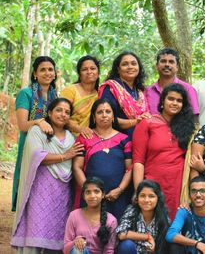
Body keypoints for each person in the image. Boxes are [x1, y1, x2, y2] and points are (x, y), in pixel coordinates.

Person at [11, 98, 84, 252]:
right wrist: (65, 155)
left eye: (67, 112)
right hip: (40, 190)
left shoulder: (72, 138)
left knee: (57, 235)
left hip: (62, 193)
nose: (63, 114)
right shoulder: (38, 131)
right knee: (37, 229)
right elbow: (37, 156)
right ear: (50, 113)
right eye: (59, 110)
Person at [133, 83, 196, 219]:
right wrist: (139, 191)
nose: (175, 103)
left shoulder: (189, 129)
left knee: (174, 227)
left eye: (179, 101)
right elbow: (138, 161)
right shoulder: (147, 123)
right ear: (162, 101)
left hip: (178, 186)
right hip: (152, 183)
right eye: (171, 99)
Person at [73, 98, 133, 220]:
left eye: (108, 111)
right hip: (90, 198)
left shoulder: (124, 139)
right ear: (94, 117)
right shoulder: (84, 137)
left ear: (113, 116)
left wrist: (119, 190)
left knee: (116, 232)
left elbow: (130, 169)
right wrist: (89, 192)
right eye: (100, 112)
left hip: (116, 196)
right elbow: (76, 167)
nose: (104, 115)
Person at [12, 56, 58, 211]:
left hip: (50, 144)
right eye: (42, 70)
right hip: (30, 145)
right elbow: (23, 125)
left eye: (50, 69)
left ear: (55, 73)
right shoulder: (26, 94)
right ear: (35, 74)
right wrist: (39, 121)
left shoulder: (55, 96)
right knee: (27, 182)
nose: (47, 73)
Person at [165, 176, 205, 254]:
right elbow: (170, 235)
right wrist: (197, 243)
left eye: (203, 191)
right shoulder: (184, 212)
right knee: (174, 246)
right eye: (194, 191)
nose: (198, 195)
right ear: (189, 195)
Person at [99, 51, 150, 138]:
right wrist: (135, 121)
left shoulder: (140, 91)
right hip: (118, 142)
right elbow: (106, 118)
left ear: (139, 67)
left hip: (142, 139)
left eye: (133, 64)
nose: (130, 67)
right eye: (125, 64)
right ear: (118, 69)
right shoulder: (111, 88)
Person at [64, 177, 117, 254]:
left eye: (96, 191)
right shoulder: (74, 215)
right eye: (88, 192)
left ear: (103, 195)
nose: (92, 196)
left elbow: (109, 250)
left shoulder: (111, 220)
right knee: (79, 249)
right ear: (84, 196)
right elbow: (65, 248)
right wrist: (76, 242)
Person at [116, 180, 170, 254]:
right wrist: (147, 237)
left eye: (151, 196)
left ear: (158, 198)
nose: (146, 200)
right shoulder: (132, 211)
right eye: (142, 195)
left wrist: (155, 251)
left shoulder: (162, 215)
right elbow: (121, 233)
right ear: (137, 198)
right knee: (126, 245)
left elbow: (168, 240)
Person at [145, 47, 199, 118]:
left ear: (177, 67)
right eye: (163, 61)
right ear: (157, 66)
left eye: (171, 62)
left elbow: (194, 118)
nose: (167, 64)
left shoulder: (188, 89)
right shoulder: (147, 91)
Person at [61, 55, 100, 137]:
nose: (89, 72)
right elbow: (61, 115)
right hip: (67, 136)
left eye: (92, 68)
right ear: (79, 74)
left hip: (90, 138)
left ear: (98, 73)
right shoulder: (70, 90)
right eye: (84, 69)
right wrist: (80, 129)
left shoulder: (99, 94)